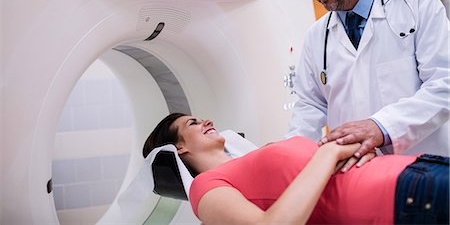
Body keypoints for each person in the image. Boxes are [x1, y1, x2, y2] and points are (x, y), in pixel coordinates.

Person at [287, 0, 450, 170]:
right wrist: (292, 158)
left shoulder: (418, 6)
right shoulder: (316, 37)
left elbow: (443, 84)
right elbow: (309, 106)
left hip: (423, 170)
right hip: (356, 178)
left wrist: (381, 127)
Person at [143, 113, 449, 225]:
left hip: (416, 166)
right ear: (179, 148)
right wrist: (328, 154)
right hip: (404, 198)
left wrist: (347, 151)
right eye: (192, 124)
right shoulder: (205, 188)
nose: (206, 121)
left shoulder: (258, 156)